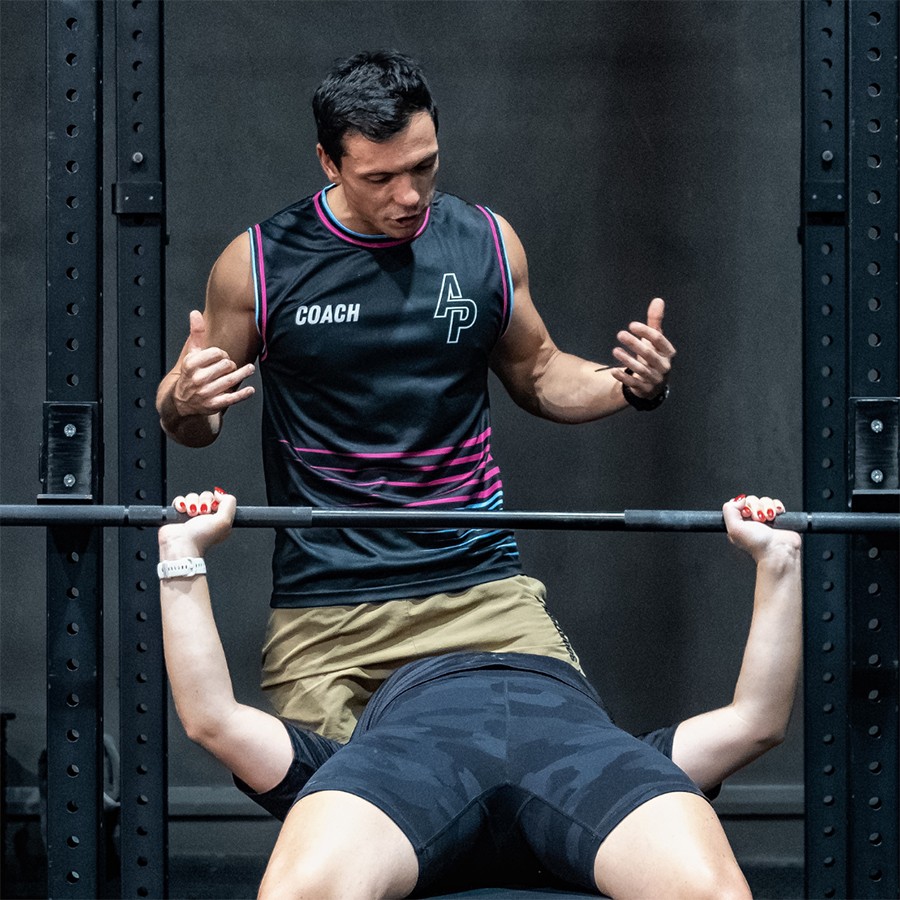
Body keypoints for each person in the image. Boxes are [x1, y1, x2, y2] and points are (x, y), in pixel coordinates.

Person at [155, 50, 677, 744]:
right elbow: (192, 420)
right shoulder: (257, 265)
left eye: (423, 167)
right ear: (329, 163)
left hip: (479, 584)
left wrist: (627, 385)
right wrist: (185, 400)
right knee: (329, 799)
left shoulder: (486, 242)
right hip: (328, 604)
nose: (408, 196)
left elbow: (541, 373)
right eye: (380, 177)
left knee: (570, 764)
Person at [158, 488, 801, 898]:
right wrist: (777, 563)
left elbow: (214, 719)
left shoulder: (347, 766)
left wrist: (181, 550)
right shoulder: (632, 757)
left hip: (416, 762)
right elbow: (756, 722)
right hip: (573, 755)